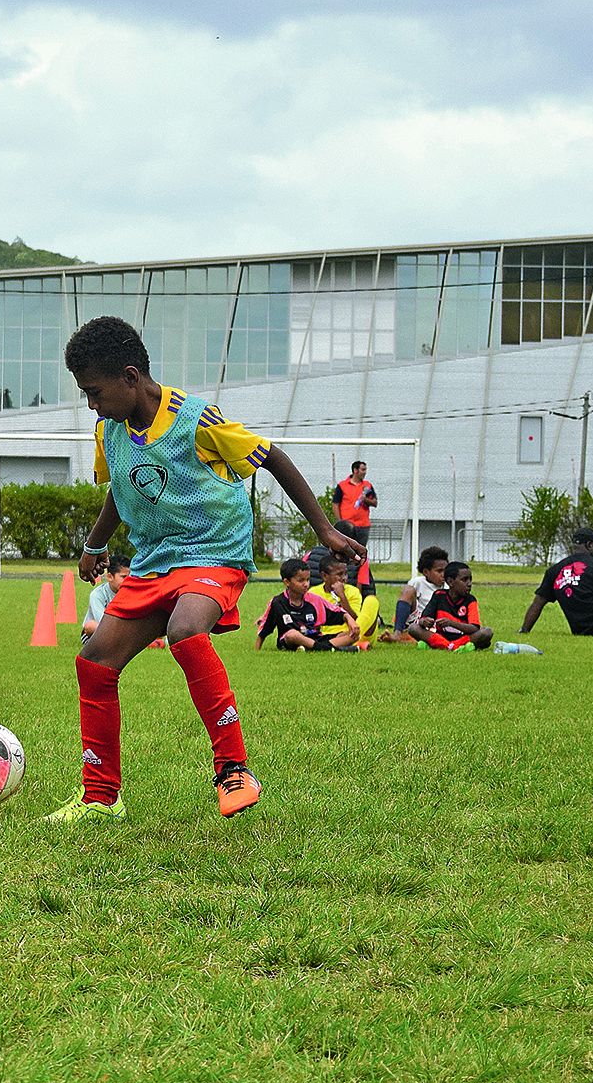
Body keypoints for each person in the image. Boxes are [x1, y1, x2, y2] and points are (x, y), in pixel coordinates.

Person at [50, 316, 364, 825]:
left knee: (185, 629)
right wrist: (94, 544)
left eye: (94, 391)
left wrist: (324, 529)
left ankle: (234, 770)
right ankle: (100, 798)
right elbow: (121, 490)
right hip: (154, 563)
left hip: (213, 554)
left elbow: (273, 457)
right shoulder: (109, 430)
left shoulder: (199, 420)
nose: (91, 403)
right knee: (95, 662)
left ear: (131, 377)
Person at [256, 557, 357, 651]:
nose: (306, 584)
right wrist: (257, 651)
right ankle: (325, 648)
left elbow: (339, 612)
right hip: (291, 641)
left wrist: (350, 620)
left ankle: (314, 648)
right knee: (292, 634)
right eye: (301, 580)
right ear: (287, 582)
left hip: (315, 638)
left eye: (308, 580)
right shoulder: (277, 603)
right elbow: (263, 631)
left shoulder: (315, 599)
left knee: (354, 635)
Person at [310, 553, 380, 647]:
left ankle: (349, 640)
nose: (344, 578)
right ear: (324, 576)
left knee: (372, 600)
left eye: (345, 573)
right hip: (329, 636)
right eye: (339, 574)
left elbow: (355, 619)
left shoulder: (352, 591)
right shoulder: (314, 593)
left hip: (358, 633)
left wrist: (342, 596)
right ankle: (347, 643)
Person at [420, 560, 494, 650]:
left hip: (463, 638)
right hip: (441, 637)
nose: (469, 584)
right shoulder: (439, 595)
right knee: (414, 628)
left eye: (470, 579)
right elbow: (422, 619)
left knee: (486, 632)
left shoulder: (470, 600)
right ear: (450, 582)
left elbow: (474, 628)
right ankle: (453, 646)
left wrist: (451, 623)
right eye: (464, 580)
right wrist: (425, 621)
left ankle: (447, 646)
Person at [390, 545, 449, 642]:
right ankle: (397, 633)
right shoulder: (418, 582)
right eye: (439, 571)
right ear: (426, 572)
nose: (443, 574)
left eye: (445, 570)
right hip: (418, 620)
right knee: (407, 590)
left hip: (438, 622)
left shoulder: (448, 586)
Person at [333, 460, 377, 576]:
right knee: (346, 551)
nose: (365, 472)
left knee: (360, 553)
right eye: (362, 469)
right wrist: (340, 521)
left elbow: (375, 502)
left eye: (365, 469)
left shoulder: (367, 486)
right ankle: (342, 573)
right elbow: (335, 504)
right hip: (348, 526)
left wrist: (365, 500)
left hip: (363, 525)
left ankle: (358, 576)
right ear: (355, 470)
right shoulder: (342, 485)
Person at [82, 552, 131, 638]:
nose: (128, 581)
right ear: (109, 577)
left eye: (130, 577)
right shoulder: (97, 595)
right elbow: (102, 623)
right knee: (90, 626)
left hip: (123, 630)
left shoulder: (131, 592)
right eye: (123, 577)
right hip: (100, 632)